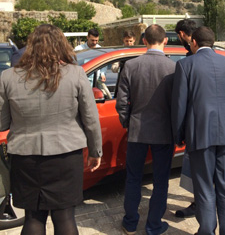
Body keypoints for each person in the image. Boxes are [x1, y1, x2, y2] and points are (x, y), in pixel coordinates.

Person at [0, 24, 102, 235]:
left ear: (31, 47)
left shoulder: (8, 77)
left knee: (33, 217)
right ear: (60, 45)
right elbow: (91, 119)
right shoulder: (76, 74)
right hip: (65, 156)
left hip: (25, 157)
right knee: (65, 216)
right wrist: (95, 151)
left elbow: (2, 123)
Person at [172, 26, 225, 235]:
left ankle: (206, 231)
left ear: (193, 42)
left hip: (200, 135)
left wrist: (179, 135)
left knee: (203, 188)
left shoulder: (185, 65)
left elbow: (179, 105)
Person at [115, 24, 176, 235]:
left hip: (137, 131)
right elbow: (178, 104)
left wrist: (128, 123)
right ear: (165, 40)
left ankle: (130, 223)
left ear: (144, 40)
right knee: (160, 181)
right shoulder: (173, 68)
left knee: (133, 178)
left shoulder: (131, 66)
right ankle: (154, 225)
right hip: (164, 132)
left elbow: (121, 102)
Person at [173, 18, 198, 218]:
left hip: (196, 126)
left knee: (197, 170)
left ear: (182, 34)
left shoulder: (188, 61)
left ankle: (200, 204)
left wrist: (179, 132)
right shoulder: (215, 55)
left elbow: (181, 101)